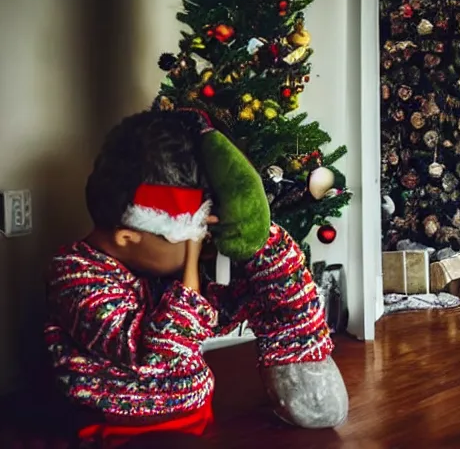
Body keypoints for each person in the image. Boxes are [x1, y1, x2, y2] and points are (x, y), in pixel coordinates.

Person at [44, 109, 348, 448]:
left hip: (192, 424)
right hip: (125, 434)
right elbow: (160, 352)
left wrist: (262, 249)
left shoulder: (151, 273)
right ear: (128, 236)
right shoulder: (74, 274)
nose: (201, 244)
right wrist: (190, 259)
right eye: (189, 235)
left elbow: (214, 315)